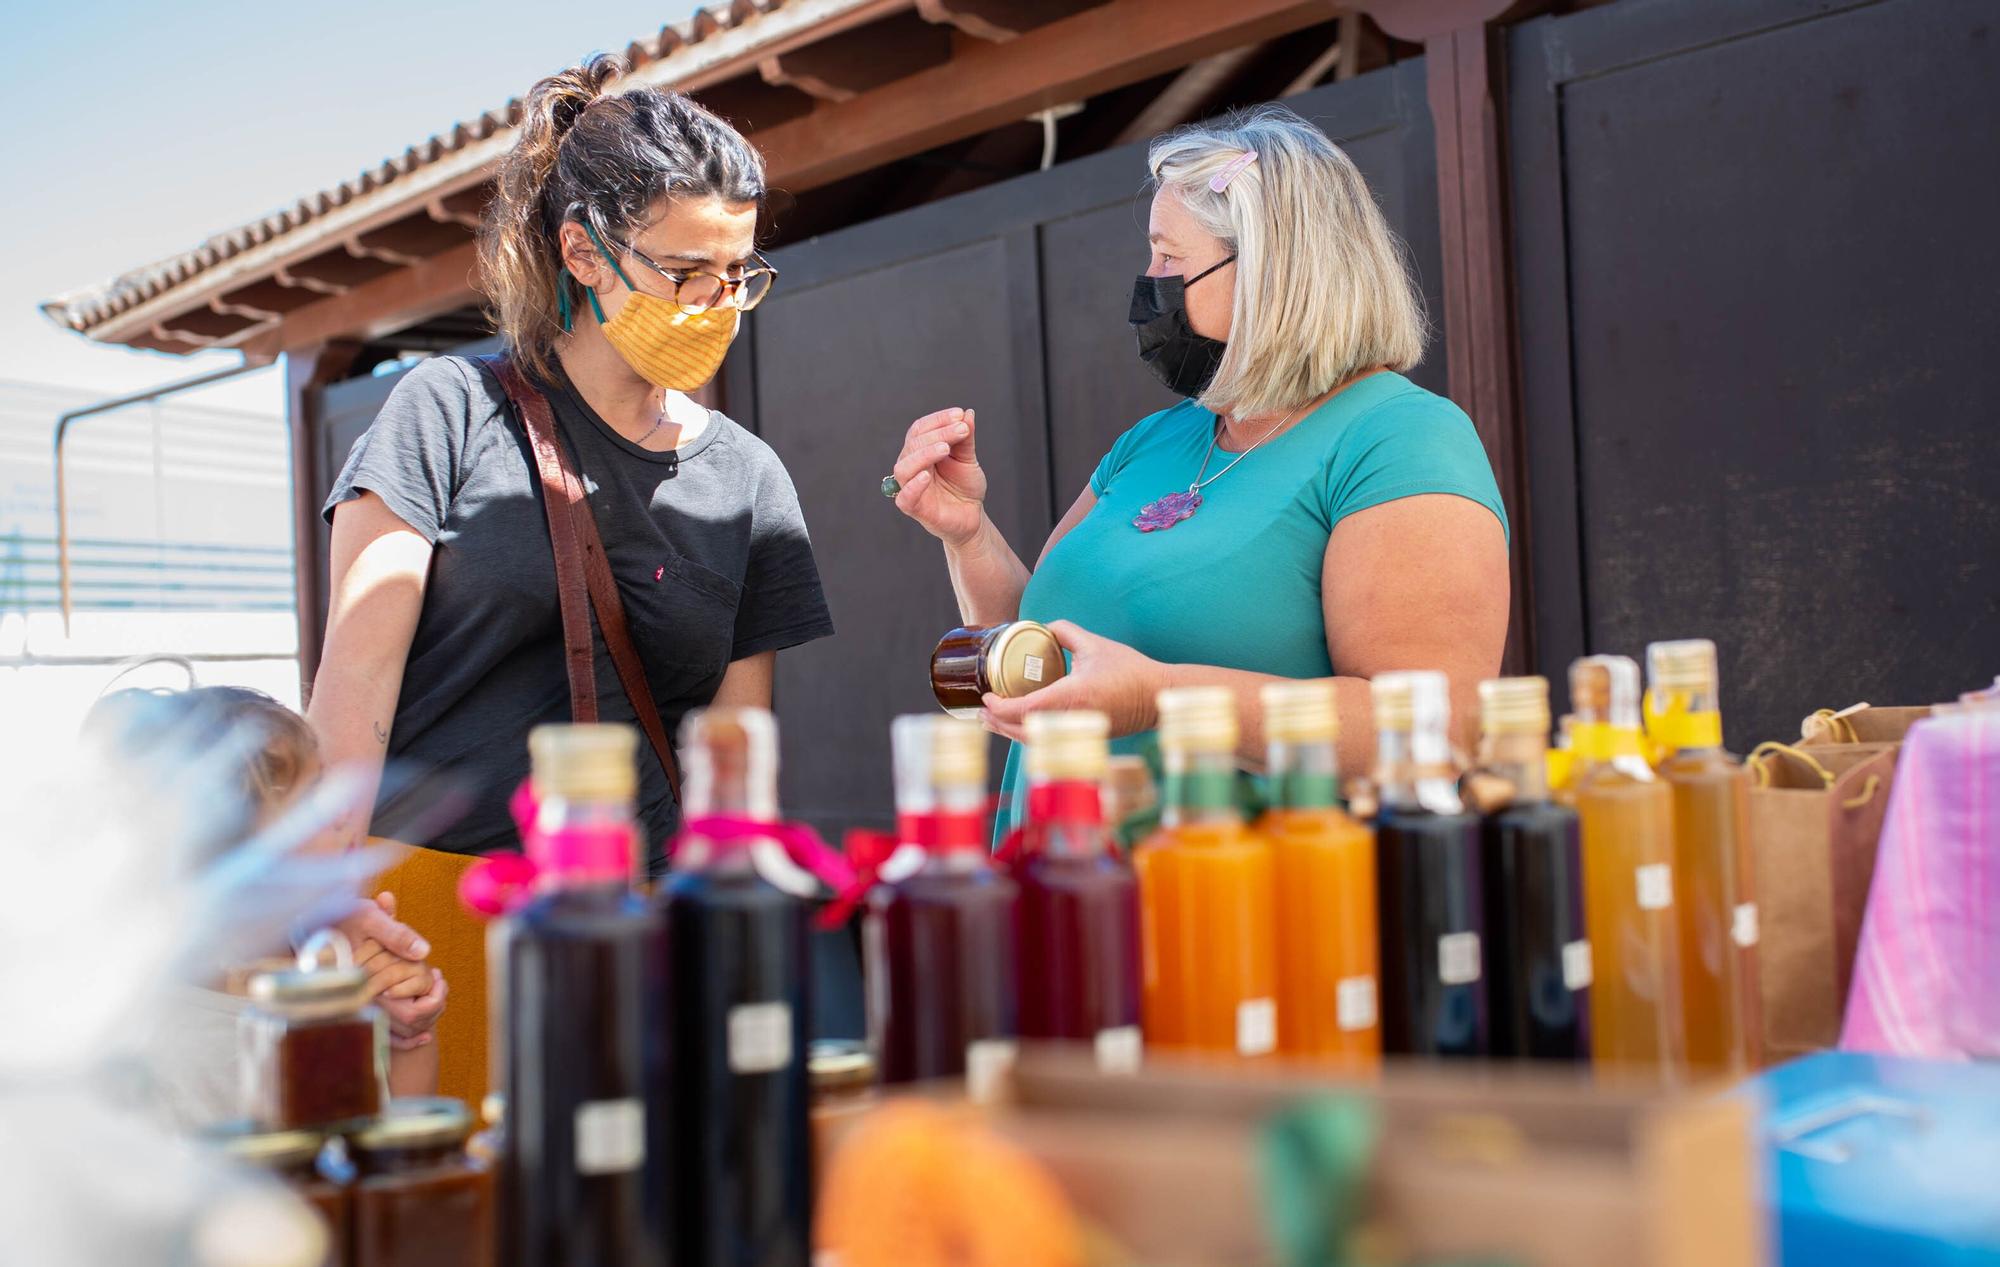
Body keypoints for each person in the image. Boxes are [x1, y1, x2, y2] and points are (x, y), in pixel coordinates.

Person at [886, 106, 1510, 827]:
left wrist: (1163, 696)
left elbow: (1435, 729)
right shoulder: (1155, 441)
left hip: (1242, 906)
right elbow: (1038, 657)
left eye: (1169, 259)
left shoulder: (1399, 438)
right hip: (1057, 892)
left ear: (1276, 270)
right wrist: (968, 535)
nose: (1147, 283)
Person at [310, 53, 833, 870]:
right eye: (686, 274)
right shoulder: (446, 411)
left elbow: (736, 765)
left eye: (737, 274)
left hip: (645, 928)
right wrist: (332, 906)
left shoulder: (750, 480)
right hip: (443, 920)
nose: (717, 305)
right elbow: (355, 687)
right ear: (584, 253)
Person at [83, 686, 447, 1129]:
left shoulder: (336, 967)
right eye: (308, 798)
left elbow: (396, 1136)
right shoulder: (152, 1034)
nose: (340, 812)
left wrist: (405, 1031)